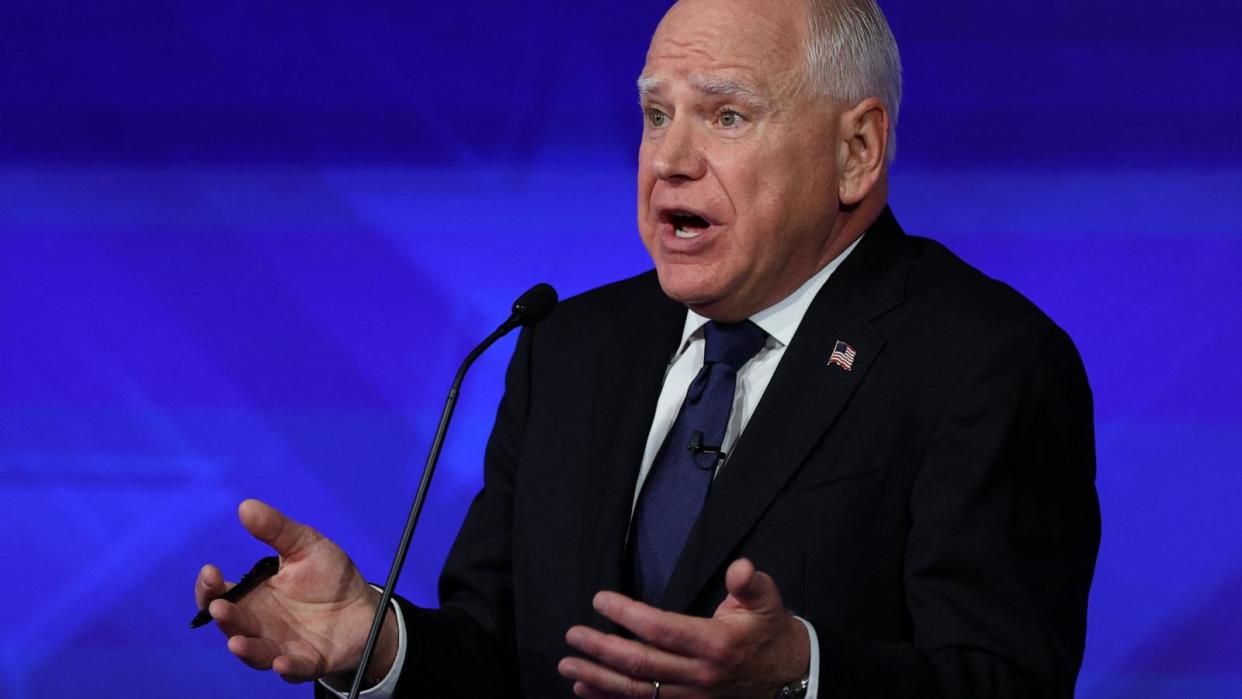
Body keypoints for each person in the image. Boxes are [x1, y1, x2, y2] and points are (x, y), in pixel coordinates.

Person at [194, 0, 1101, 696]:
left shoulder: (987, 363)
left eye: (726, 116)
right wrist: (379, 643)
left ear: (856, 151)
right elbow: (498, 654)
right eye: (655, 114)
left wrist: (801, 673)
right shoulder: (568, 351)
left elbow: (1006, 678)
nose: (669, 158)